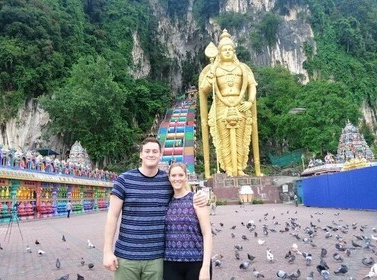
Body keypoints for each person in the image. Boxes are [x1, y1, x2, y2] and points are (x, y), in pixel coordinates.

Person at [103, 137, 207, 280]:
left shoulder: (168, 180)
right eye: (147, 151)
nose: (151, 154)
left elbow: (183, 191)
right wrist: (107, 251)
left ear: (160, 154)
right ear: (141, 154)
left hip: (156, 259)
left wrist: (202, 196)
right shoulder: (124, 180)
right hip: (127, 256)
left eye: (154, 151)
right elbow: (112, 216)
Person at [199, 29, 261, 177]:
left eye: (229, 49)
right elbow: (203, 89)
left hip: (240, 106)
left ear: (234, 51)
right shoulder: (214, 68)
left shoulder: (243, 68)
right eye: (224, 50)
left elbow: (252, 85)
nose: (227, 52)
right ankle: (228, 169)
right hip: (221, 107)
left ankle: (239, 168)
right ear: (219, 52)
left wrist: (250, 101)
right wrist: (210, 77)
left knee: (241, 140)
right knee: (224, 140)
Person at [164, 163, 212, 280]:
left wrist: (205, 267)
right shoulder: (166, 201)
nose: (177, 178)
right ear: (169, 178)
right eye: (173, 175)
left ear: (186, 177)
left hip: (196, 261)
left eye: (180, 175)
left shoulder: (196, 199)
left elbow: (207, 234)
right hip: (170, 262)